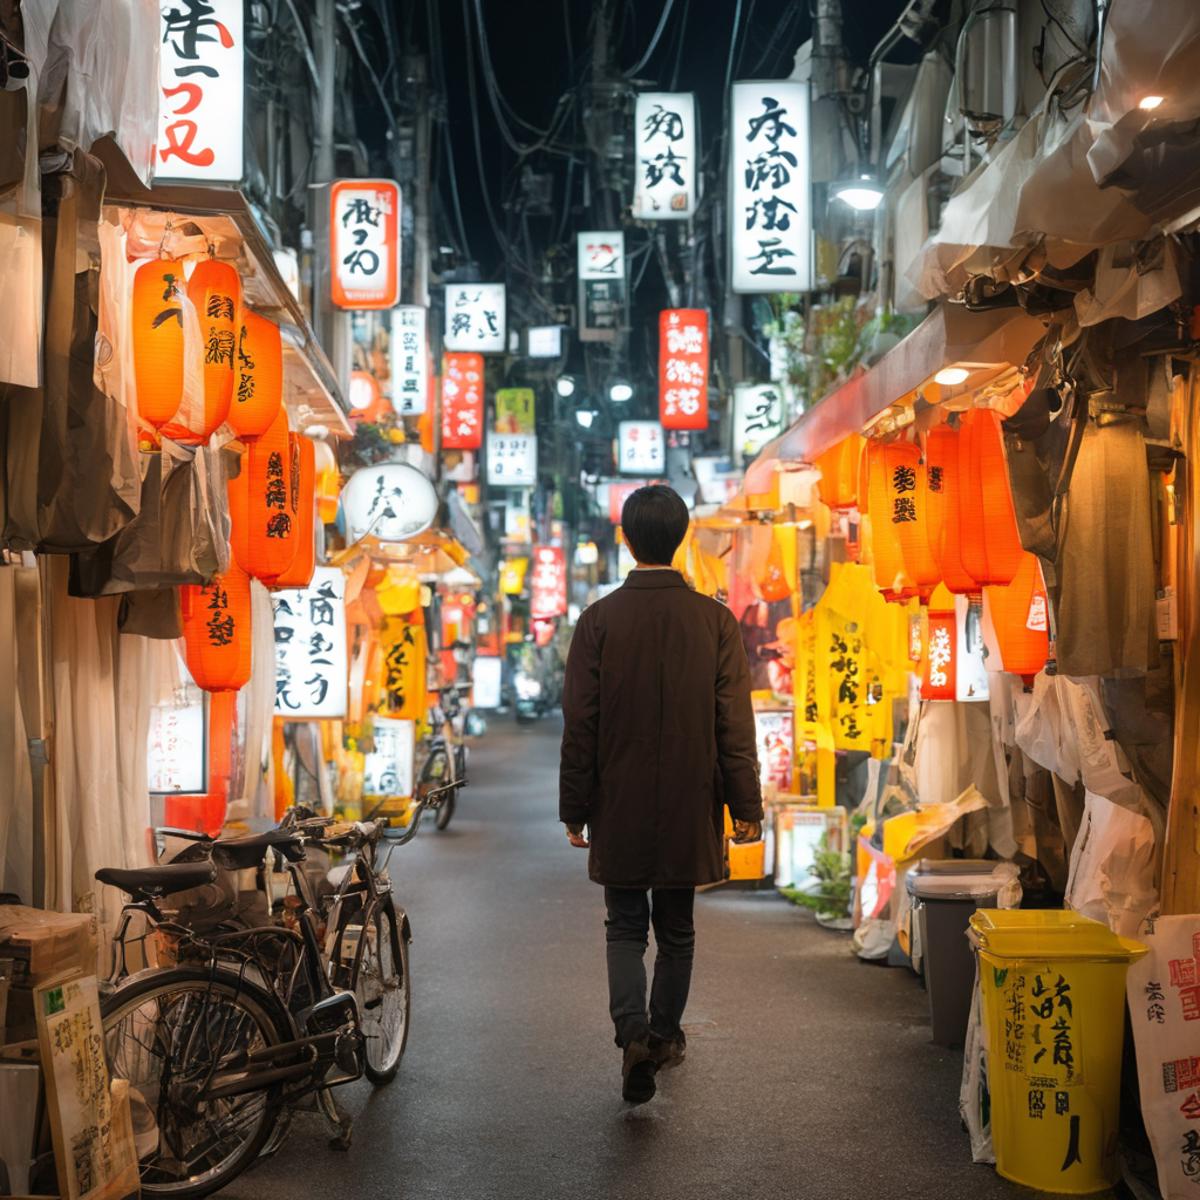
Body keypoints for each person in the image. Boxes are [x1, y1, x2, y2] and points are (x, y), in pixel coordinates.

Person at [559, 484, 763, 1105]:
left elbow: (581, 723)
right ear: (680, 539)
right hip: (688, 799)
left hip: (617, 801)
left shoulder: (597, 622)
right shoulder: (715, 621)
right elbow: (734, 724)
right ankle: (665, 1035)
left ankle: (632, 1037)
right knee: (676, 928)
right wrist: (746, 807)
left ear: (625, 539)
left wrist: (575, 807)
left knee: (624, 925)